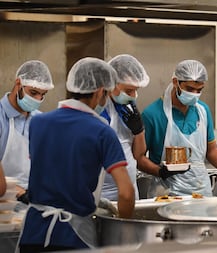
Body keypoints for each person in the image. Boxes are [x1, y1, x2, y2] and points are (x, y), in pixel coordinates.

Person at [18, 57, 135, 252]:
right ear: (99, 92)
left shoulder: (38, 123)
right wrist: (127, 230)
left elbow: (49, 170)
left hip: (33, 234)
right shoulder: (102, 131)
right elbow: (126, 192)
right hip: (72, 236)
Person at [136, 59, 217, 197]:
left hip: (200, 191)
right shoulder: (153, 114)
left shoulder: (202, 111)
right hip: (167, 193)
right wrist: (160, 171)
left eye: (199, 90)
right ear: (176, 82)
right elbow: (139, 158)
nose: (194, 94)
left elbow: (212, 151)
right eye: (189, 89)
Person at [0, 60, 54, 197]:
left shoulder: (40, 121)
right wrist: (21, 193)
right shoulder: (1, 117)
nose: (38, 99)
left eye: (43, 95)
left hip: (32, 198)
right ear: (18, 84)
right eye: (33, 92)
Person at [100, 54, 150, 201]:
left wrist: (139, 131)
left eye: (136, 90)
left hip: (129, 189)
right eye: (129, 91)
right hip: (102, 193)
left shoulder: (128, 109)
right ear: (111, 84)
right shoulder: (98, 110)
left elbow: (139, 155)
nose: (134, 95)